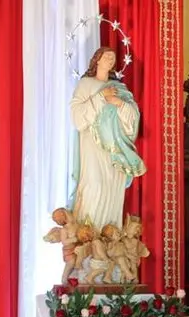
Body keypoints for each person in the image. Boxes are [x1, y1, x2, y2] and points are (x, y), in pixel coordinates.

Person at [69, 46, 146, 230]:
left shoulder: (119, 88)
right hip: (92, 145)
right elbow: (77, 116)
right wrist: (101, 97)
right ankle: (88, 239)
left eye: (113, 58)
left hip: (115, 149)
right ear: (97, 60)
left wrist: (119, 103)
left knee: (112, 189)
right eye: (107, 56)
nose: (110, 60)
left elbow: (133, 118)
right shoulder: (86, 84)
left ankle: (109, 239)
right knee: (94, 186)